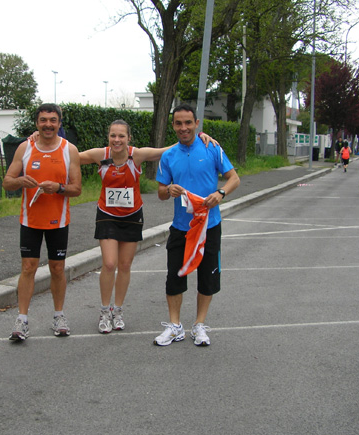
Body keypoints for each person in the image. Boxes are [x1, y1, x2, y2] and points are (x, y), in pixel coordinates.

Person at [31, 121, 217, 334]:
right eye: (113, 136)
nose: (117, 140)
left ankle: (117, 310)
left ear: (129, 138)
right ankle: (104, 310)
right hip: (107, 215)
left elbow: (170, 149)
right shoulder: (100, 154)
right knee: (109, 264)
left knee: (125, 265)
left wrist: (200, 134)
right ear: (108, 137)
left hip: (131, 215)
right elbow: (68, 155)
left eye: (121, 136)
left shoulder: (136, 155)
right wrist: (43, 137)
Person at [154, 104, 240, 347]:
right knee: (174, 277)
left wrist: (221, 193)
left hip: (209, 226)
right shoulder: (169, 155)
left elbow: (234, 178)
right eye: (179, 124)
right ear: (173, 126)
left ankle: (199, 325)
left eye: (188, 123)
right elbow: (160, 191)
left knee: (207, 278)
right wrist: (168, 189)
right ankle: (175, 326)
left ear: (197, 123)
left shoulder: (212, 147)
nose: (184, 128)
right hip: (182, 227)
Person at [2, 103, 82, 341]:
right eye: (44, 120)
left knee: (57, 268)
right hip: (30, 220)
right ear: (37, 123)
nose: (48, 124)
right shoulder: (25, 148)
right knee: (28, 268)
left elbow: (77, 189)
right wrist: (19, 182)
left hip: (58, 221)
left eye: (53, 120)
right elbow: (7, 182)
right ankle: (22, 319)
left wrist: (58, 188)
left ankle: (59, 315)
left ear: (59, 123)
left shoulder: (70, 150)